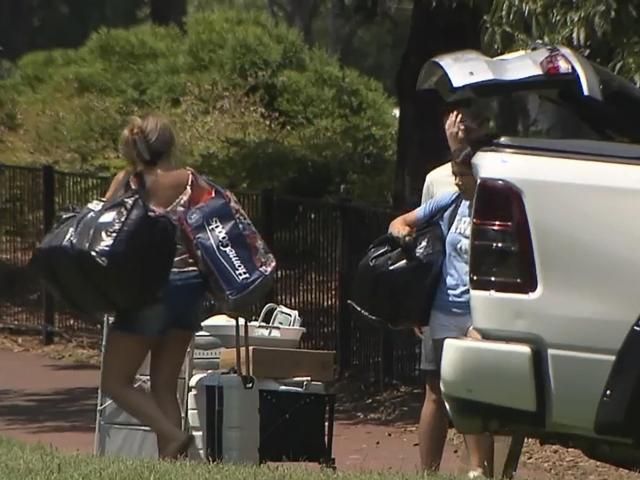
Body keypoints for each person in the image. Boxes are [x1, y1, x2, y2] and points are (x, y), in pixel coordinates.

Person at [100, 114, 207, 459]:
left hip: (149, 290)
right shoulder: (191, 179)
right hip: (191, 287)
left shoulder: (129, 182)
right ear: (170, 146)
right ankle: (170, 467)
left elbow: (104, 233)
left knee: (116, 382)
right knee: (164, 384)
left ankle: (170, 435)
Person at [390, 142, 494, 478]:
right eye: (455, 175)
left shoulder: (495, 208)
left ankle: (479, 469)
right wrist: (405, 235)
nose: (459, 182)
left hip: (477, 311)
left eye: (465, 176)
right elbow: (401, 222)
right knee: (435, 390)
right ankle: (428, 472)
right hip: (443, 307)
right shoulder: (451, 200)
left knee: (473, 390)